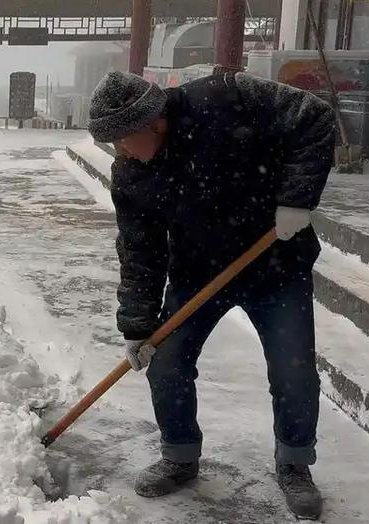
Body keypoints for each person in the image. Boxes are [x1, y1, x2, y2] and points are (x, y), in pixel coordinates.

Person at [87, 71, 335, 520]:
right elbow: (140, 251)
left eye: (123, 139)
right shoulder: (131, 175)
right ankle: (180, 455)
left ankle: (295, 464)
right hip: (198, 274)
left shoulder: (224, 98)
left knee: (292, 369)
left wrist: (297, 199)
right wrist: (138, 325)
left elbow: (314, 117)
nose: (120, 151)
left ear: (152, 122)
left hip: (276, 263)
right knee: (167, 360)